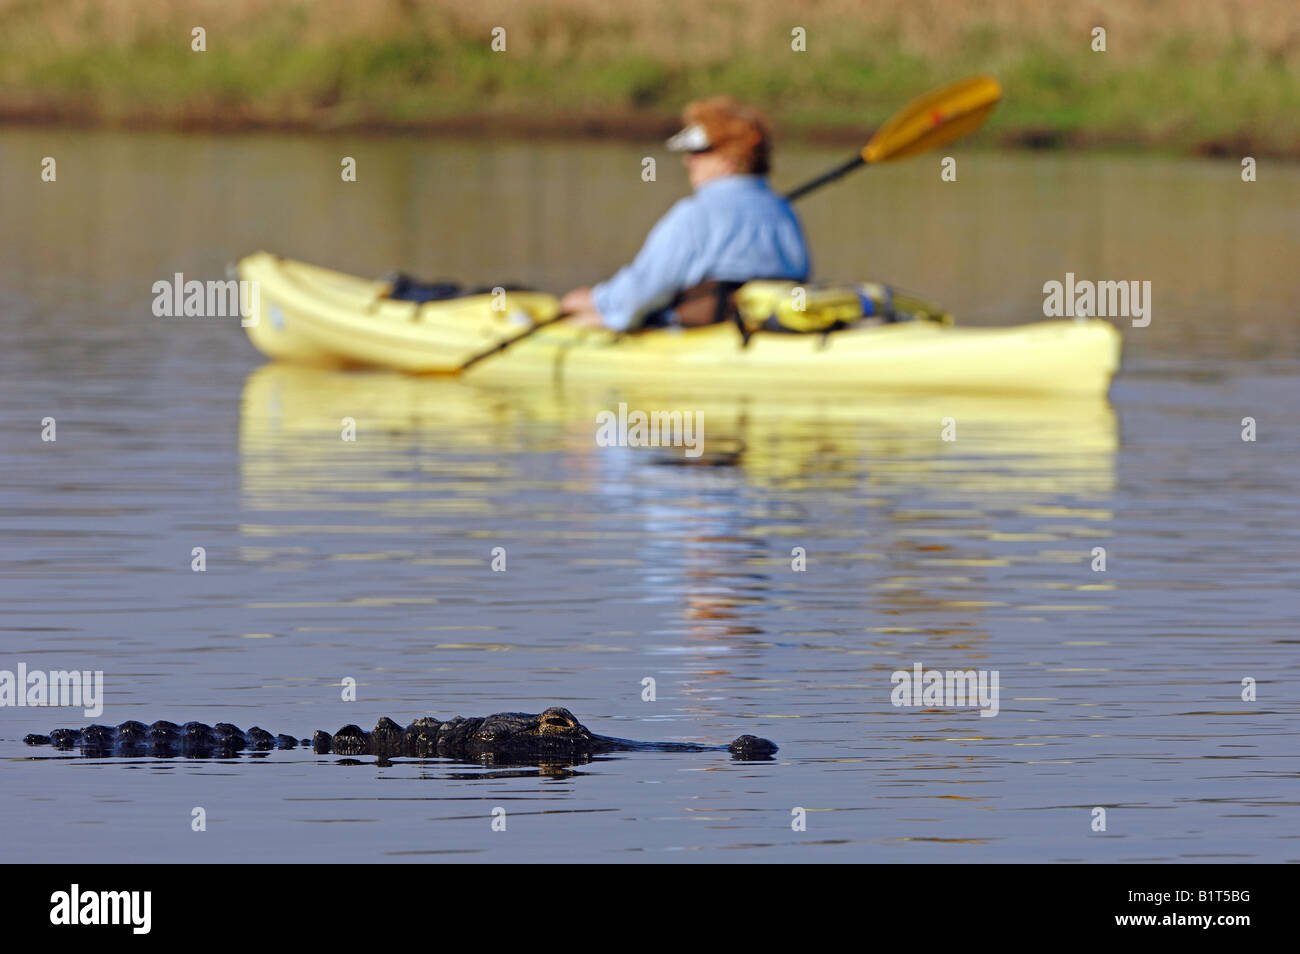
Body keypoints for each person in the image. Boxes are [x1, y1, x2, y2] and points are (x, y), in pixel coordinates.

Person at [560, 96, 811, 330]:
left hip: (704, 338)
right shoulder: (783, 211)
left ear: (730, 157)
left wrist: (596, 301)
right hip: (769, 332)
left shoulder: (694, 215)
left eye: (699, 151)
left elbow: (645, 289)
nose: (688, 161)